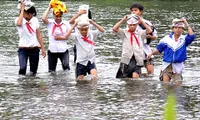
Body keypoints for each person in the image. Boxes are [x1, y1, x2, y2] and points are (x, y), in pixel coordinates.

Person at [147, 18, 196, 84]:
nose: (177, 29)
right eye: (175, 28)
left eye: (180, 28)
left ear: (182, 30)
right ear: (173, 29)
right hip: (167, 65)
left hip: (178, 66)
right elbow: (159, 49)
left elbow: (192, 36)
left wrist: (186, 23)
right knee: (165, 85)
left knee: (178, 86)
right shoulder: (166, 39)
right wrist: (151, 53)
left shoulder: (184, 39)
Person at [113, 14, 152, 79]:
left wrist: (141, 21)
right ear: (128, 25)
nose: (132, 26)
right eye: (130, 25)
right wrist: (123, 20)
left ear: (136, 25)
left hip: (137, 58)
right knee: (124, 78)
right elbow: (114, 28)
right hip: (127, 58)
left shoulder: (140, 33)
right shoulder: (124, 32)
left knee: (135, 77)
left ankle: (136, 88)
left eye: (134, 25)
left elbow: (149, 30)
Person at [15, 1, 46, 76]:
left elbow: (39, 35)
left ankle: (33, 86)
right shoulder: (19, 20)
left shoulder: (34, 20)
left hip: (34, 48)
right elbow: (19, 23)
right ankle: (22, 86)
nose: (32, 15)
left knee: (33, 72)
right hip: (23, 49)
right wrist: (22, 10)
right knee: (22, 68)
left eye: (32, 14)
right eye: (30, 13)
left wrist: (43, 48)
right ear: (25, 13)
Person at [42, 1, 70, 72]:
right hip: (52, 50)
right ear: (53, 15)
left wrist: (61, 37)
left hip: (63, 49)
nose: (58, 18)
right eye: (56, 16)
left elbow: (68, 35)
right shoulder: (50, 23)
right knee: (51, 70)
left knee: (66, 68)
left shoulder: (66, 24)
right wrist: (49, 7)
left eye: (60, 16)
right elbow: (43, 19)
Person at [130, 3, 157, 74]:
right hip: (135, 50)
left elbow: (154, 37)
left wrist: (147, 36)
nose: (133, 12)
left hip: (145, 49)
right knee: (137, 72)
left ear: (141, 12)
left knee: (150, 71)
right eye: (132, 10)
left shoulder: (147, 23)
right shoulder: (130, 23)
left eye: (135, 10)